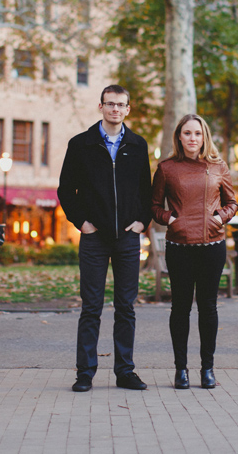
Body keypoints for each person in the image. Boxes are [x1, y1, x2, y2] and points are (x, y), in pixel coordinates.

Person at [57, 85, 152, 392]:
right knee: (91, 307)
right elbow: (64, 190)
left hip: (127, 238)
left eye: (120, 105)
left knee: (126, 307)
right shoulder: (81, 144)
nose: (115, 109)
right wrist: (81, 222)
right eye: (109, 104)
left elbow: (146, 191)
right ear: (100, 107)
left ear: (128, 109)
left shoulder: (137, 145)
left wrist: (142, 221)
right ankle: (85, 373)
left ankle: (125, 371)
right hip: (94, 238)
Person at [150, 114, 238, 390]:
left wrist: (220, 217)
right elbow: (153, 206)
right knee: (180, 309)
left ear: (204, 136)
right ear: (179, 137)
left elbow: (232, 203)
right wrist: (170, 219)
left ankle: (207, 369)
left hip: (212, 246)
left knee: (208, 308)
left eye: (197, 134)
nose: (192, 138)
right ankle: (181, 370)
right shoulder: (166, 168)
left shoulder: (218, 166)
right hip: (179, 248)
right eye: (187, 133)